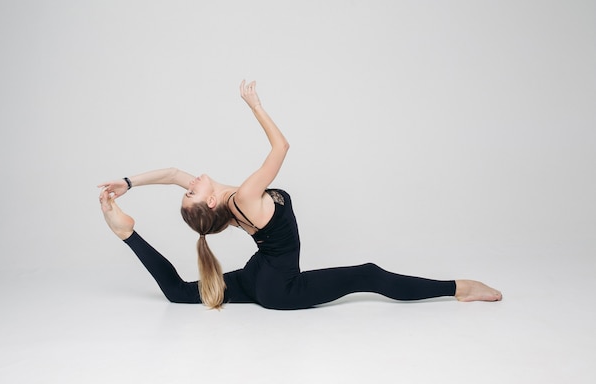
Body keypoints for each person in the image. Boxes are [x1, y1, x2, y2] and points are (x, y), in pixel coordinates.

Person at [98, 80, 502, 310]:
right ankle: (458, 288)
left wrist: (128, 183)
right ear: (210, 202)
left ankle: (126, 234)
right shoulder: (244, 197)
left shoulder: (229, 204)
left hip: (258, 277)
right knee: (369, 274)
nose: (190, 182)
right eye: (192, 191)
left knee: (181, 293)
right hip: (279, 290)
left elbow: (170, 173)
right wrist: (256, 106)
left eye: (187, 188)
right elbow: (281, 148)